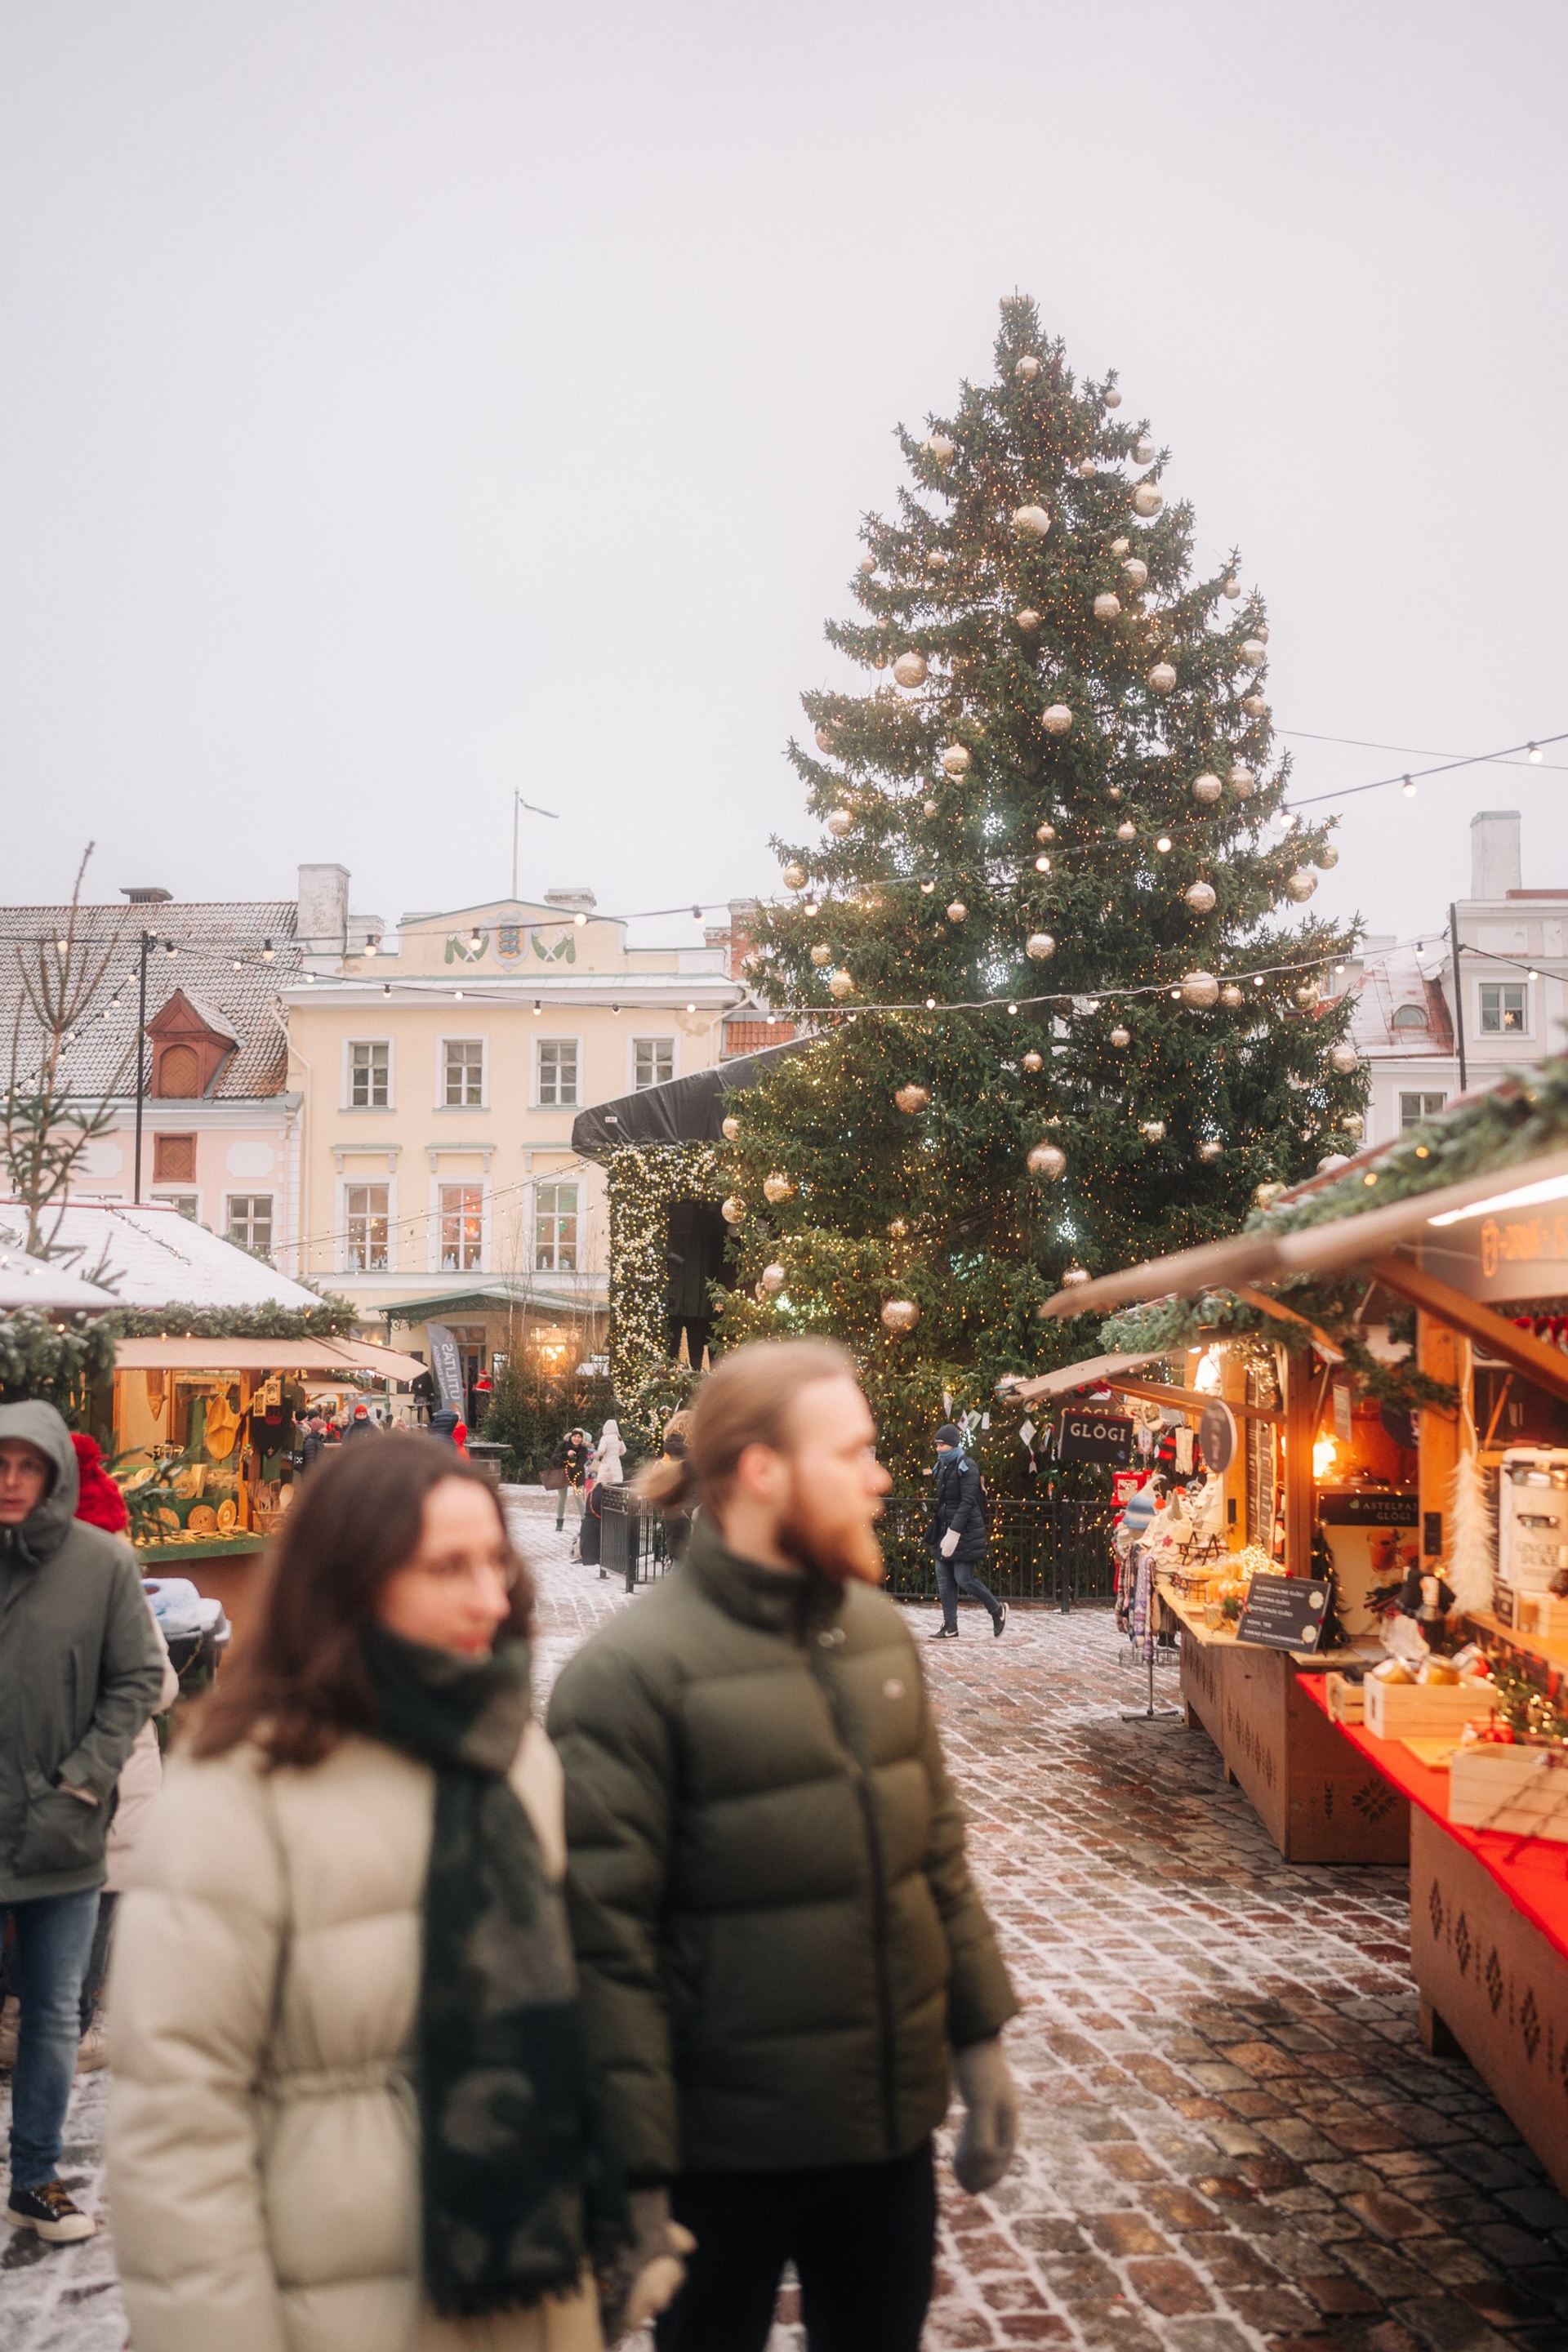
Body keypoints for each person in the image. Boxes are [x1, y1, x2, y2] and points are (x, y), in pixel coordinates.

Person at [106, 1434, 691, 2350]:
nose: (490, 1596)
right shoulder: (236, 1796)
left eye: (494, 1561)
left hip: (533, 2291)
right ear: (352, 1581)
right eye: (446, 1567)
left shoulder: (514, 1757)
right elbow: (176, 2133)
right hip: (340, 2307)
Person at [548, 1339, 1019, 2352]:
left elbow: (934, 1853)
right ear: (763, 1471)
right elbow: (603, 1951)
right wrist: (635, 2179)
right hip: (720, 2165)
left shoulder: (877, 1633)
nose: (880, 1476)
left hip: (883, 2139)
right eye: (851, 1451)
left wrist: (979, 2048)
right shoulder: (627, 1679)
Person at [0, 1401, 164, 2246]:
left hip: (62, 1837)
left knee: (54, 2016)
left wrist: (84, 1778)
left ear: (58, 1472)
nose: (12, 1481)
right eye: (0, 1464)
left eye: (28, 1465)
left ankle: (34, 2180)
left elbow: (139, 1680)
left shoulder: (101, 1562)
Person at [65, 1437, 181, 2071]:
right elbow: (161, 1686)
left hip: (79, 1789)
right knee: (95, 1914)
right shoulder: (115, 1589)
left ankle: (24, 2016)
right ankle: (76, 2032)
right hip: (119, 1784)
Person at [928, 1422, 1007, 1641]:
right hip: (945, 1531)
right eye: (936, 1445)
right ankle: (950, 1625)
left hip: (965, 1532)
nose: (937, 1448)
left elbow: (967, 1502)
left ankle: (997, 1609)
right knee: (944, 1579)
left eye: (941, 1445)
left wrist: (954, 1532)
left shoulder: (967, 1466)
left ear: (952, 1445)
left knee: (964, 1579)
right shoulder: (943, 1466)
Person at [550, 1428, 591, 1535]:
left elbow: (580, 1465)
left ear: (582, 1439)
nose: (576, 1439)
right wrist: (566, 1454)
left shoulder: (583, 1449)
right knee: (562, 1499)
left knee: (579, 1498)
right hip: (563, 1475)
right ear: (571, 1436)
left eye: (579, 1437)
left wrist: (573, 1464)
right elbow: (554, 1457)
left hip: (577, 1477)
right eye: (575, 1436)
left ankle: (585, 1524)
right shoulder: (564, 1444)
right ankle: (559, 1523)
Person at [590, 1419, 625, 1487]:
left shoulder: (605, 1438)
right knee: (616, 1484)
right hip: (617, 1463)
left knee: (604, 1484)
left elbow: (601, 1451)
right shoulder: (619, 1438)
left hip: (606, 1464)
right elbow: (623, 1450)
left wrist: (602, 1455)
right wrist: (616, 1455)